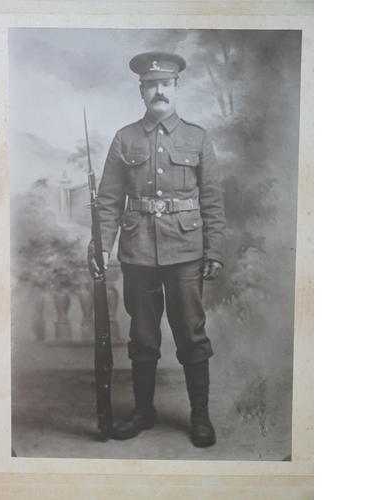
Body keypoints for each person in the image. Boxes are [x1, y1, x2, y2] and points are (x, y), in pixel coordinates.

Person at [87, 51, 225, 447]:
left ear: (177, 89)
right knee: (143, 337)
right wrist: (100, 247)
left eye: (166, 84)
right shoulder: (124, 138)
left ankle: (200, 416)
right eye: (152, 85)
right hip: (139, 252)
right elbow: (109, 200)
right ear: (142, 91)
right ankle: (143, 412)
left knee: (192, 337)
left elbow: (213, 200)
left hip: (186, 251)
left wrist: (213, 249)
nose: (159, 90)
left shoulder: (197, 138)